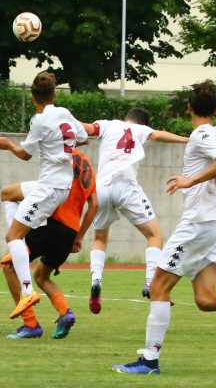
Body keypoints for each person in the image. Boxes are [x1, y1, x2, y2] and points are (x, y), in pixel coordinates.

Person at [112, 80, 216, 375]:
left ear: (189, 108)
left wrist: (192, 179)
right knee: (206, 298)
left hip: (198, 225)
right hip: (213, 225)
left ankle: (149, 361)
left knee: (159, 286)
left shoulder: (201, 133)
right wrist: (210, 177)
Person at [0, 72, 88, 320]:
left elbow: (25, 155)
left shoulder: (39, 120)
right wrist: (62, 147)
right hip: (58, 186)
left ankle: (27, 291)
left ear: (33, 96)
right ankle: (21, 247)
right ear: (54, 95)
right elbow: (83, 138)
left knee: (12, 235)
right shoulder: (64, 113)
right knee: (8, 193)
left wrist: (9, 145)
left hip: (50, 188)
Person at [80, 108, 188, 314]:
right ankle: (150, 282)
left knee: (100, 238)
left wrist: (61, 120)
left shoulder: (109, 124)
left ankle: (96, 280)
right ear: (142, 123)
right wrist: (185, 139)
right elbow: (157, 135)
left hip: (101, 188)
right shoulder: (141, 130)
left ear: (125, 118)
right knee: (155, 235)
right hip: (125, 187)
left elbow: (85, 127)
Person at [0, 148, 98, 339]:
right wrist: (79, 237)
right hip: (69, 231)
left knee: (10, 267)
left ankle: (30, 324)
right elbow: (94, 204)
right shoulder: (87, 165)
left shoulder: (59, 152)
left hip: (52, 221)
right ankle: (65, 313)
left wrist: (12, 146)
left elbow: (29, 158)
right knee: (42, 276)